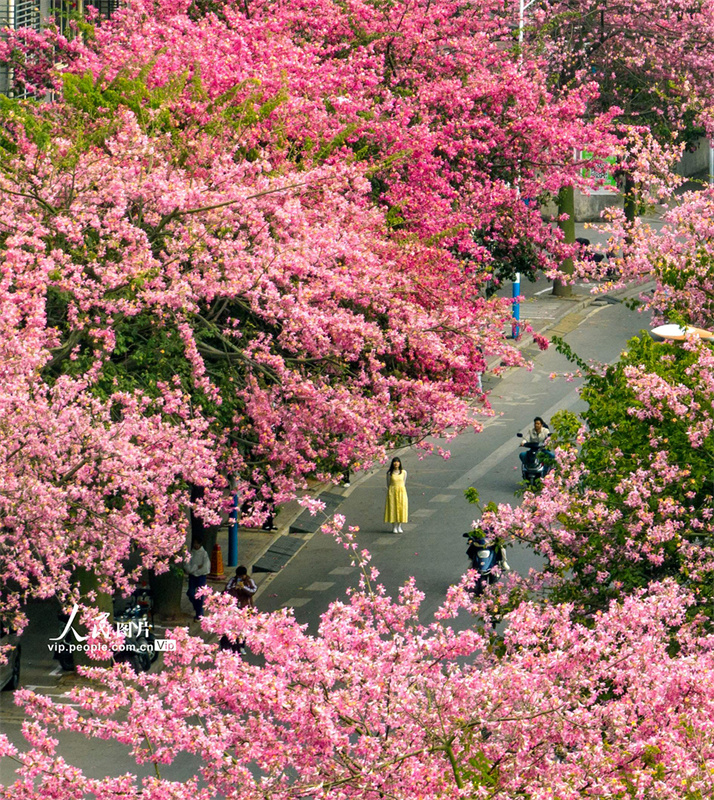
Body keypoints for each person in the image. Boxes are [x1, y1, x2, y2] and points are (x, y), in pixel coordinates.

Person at [221, 566, 257, 653]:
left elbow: (253, 591)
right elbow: (227, 590)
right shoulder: (232, 580)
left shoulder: (249, 581)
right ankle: (233, 645)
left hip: (246, 608)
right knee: (234, 627)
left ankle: (241, 646)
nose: (240, 578)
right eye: (239, 576)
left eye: (242, 576)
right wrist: (235, 588)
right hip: (235, 607)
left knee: (244, 629)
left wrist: (243, 587)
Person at [185, 538, 210, 621]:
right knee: (190, 593)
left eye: (197, 544)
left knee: (200, 595)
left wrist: (194, 569)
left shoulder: (204, 553)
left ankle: (199, 613)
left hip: (201, 577)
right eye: (195, 543)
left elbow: (205, 568)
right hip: (192, 576)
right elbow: (187, 567)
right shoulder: (191, 553)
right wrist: (195, 567)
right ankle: (198, 609)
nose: (196, 545)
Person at [384, 457, 408, 533]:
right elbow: (388, 484)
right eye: (395, 462)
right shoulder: (389, 473)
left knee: (401, 508)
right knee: (393, 508)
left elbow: (404, 482)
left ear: (400, 463)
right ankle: (394, 526)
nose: (396, 463)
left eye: (397, 462)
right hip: (392, 492)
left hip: (401, 491)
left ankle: (399, 526)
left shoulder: (404, 472)